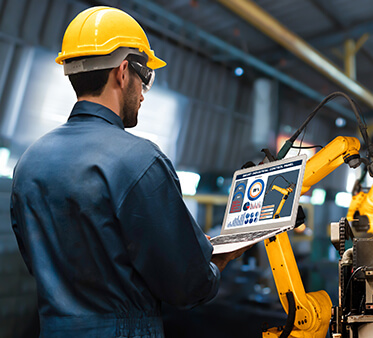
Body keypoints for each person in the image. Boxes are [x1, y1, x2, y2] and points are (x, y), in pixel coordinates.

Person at [10, 6, 247, 337]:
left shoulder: (29, 162)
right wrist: (212, 265)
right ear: (123, 72)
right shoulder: (139, 160)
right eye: (145, 77)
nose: (143, 94)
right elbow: (187, 286)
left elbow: (39, 262)